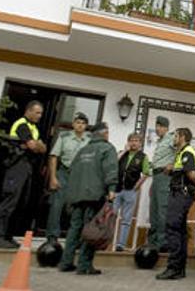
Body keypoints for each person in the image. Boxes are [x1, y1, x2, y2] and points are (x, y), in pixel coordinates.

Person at [57, 122, 117, 275]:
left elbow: (72, 171)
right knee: (91, 229)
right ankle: (84, 265)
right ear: (104, 133)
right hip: (95, 195)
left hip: (77, 196)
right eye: (108, 132)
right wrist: (111, 189)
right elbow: (110, 170)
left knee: (74, 229)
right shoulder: (107, 148)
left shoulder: (82, 150)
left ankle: (66, 262)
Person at [0, 100, 47, 249]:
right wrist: (35, 145)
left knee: (20, 202)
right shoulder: (21, 124)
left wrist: (37, 145)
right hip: (16, 166)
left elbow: (43, 148)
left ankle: (8, 237)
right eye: (37, 112)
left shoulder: (33, 128)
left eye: (41, 113)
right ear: (28, 111)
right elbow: (33, 146)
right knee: (10, 200)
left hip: (27, 167)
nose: (40, 116)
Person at [156, 128, 195, 280]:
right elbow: (182, 171)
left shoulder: (188, 152)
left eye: (176, 136)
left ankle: (173, 268)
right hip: (180, 193)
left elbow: (190, 174)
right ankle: (179, 269)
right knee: (180, 231)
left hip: (181, 195)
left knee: (172, 228)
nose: (174, 138)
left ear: (183, 137)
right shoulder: (181, 152)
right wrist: (170, 170)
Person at [45, 112, 90, 245]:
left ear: (86, 126)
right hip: (64, 173)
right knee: (57, 205)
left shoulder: (90, 140)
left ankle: (74, 238)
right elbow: (54, 156)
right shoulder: (64, 137)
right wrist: (53, 177)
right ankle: (52, 237)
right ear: (73, 124)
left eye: (83, 123)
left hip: (80, 177)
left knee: (77, 209)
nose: (80, 125)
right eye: (78, 122)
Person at [114, 132, 150, 251]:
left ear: (140, 143)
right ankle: (105, 241)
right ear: (128, 142)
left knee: (126, 219)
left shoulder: (143, 157)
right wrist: (124, 151)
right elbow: (113, 163)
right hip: (117, 190)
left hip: (130, 191)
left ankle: (121, 245)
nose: (134, 143)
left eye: (136, 141)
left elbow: (146, 173)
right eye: (132, 140)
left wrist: (137, 186)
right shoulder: (121, 153)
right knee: (110, 216)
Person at [147, 116, 175, 251]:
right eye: (156, 126)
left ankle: (162, 242)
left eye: (160, 126)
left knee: (162, 211)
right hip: (156, 177)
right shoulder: (161, 141)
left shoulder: (171, 138)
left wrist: (173, 164)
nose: (157, 129)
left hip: (165, 177)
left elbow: (183, 151)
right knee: (154, 210)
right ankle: (152, 242)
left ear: (166, 127)